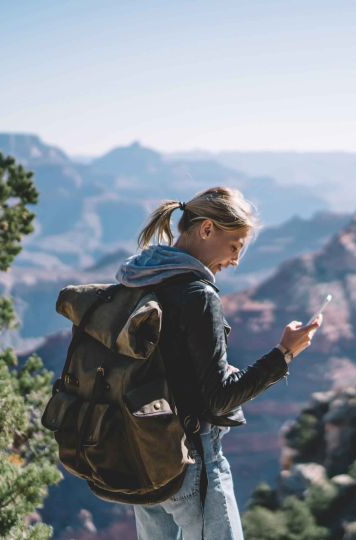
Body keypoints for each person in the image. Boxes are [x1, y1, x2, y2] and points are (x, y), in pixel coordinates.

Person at [115, 186, 321, 539]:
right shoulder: (198, 295)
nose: (236, 261)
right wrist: (283, 354)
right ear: (207, 229)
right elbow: (217, 398)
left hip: (140, 451)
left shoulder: (137, 278)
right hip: (190, 460)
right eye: (235, 246)